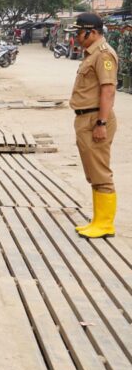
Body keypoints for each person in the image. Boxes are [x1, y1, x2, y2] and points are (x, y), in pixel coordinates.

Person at [70, 13, 119, 239]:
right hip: (86, 118)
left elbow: (108, 90)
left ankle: (105, 224)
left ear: (93, 32)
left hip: (95, 119)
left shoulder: (103, 55)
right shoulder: (91, 54)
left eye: (80, 33)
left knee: (100, 172)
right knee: (93, 172)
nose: (77, 37)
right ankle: (98, 220)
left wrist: (101, 123)